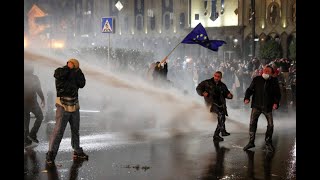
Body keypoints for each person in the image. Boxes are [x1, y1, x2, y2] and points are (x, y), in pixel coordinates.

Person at [46, 58, 88, 165]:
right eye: (70, 63)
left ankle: (77, 150)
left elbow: (82, 83)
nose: (71, 64)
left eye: (73, 64)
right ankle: (51, 154)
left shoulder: (76, 73)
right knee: (58, 131)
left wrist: (78, 72)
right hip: (63, 106)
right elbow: (58, 75)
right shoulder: (61, 71)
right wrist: (69, 69)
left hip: (74, 106)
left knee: (75, 130)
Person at [243, 66, 281, 152]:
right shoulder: (257, 79)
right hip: (256, 106)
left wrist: (276, 103)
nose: (266, 72)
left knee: (270, 125)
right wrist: (247, 97)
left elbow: (277, 94)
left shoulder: (274, 81)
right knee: (252, 123)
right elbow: (250, 90)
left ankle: (268, 143)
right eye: (265, 70)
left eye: (268, 71)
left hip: (267, 107)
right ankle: (251, 142)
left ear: (271, 73)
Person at [196, 71, 233, 141]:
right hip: (211, 103)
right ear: (213, 75)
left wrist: (229, 96)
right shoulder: (207, 82)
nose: (216, 77)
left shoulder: (222, 85)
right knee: (221, 116)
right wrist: (203, 92)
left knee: (222, 116)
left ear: (221, 78)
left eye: (218, 77)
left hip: (221, 103)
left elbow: (226, 93)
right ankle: (216, 135)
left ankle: (223, 131)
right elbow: (198, 88)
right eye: (215, 76)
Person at [24, 64, 45, 148]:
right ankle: (32, 134)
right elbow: (38, 89)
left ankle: (26, 141)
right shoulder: (34, 78)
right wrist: (42, 99)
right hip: (32, 102)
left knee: (26, 121)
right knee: (40, 116)